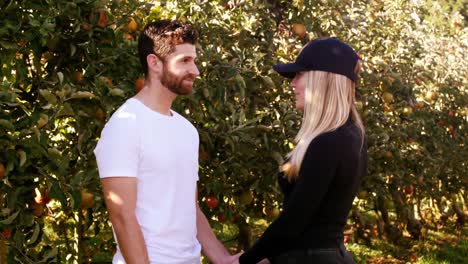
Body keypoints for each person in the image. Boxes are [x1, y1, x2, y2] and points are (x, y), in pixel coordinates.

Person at [94, 20, 240, 264]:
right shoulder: (125, 124)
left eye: (193, 60)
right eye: (184, 61)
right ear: (154, 63)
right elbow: (122, 215)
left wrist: (224, 259)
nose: (195, 70)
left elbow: (188, 208)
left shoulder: (187, 130)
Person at [235, 37, 367, 264]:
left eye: (299, 75)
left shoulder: (328, 141)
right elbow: (316, 221)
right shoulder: (353, 136)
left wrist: (246, 260)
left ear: (322, 80)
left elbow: (294, 221)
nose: (292, 84)